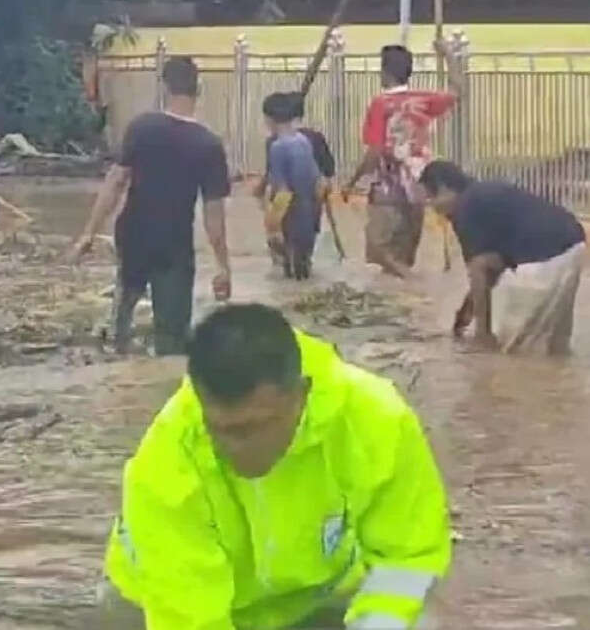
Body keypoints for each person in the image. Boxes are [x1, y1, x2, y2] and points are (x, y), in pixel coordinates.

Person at [102, 303, 451, 630]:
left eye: (255, 428)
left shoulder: (376, 420)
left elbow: (407, 557)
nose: (238, 450)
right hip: (163, 604)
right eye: (222, 430)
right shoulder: (166, 462)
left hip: (317, 596)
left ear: (302, 394)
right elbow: (190, 616)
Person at [70, 56, 231, 356]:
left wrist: (88, 234)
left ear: (165, 86)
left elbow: (115, 183)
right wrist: (223, 266)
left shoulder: (141, 128)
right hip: (174, 245)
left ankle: (116, 373)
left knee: (124, 311)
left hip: (132, 235)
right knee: (172, 337)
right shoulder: (208, 145)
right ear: (199, 89)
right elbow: (213, 216)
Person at [420, 160, 586, 355]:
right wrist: (467, 311)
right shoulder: (481, 194)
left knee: (519, 351)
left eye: (431, 197)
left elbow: (479, 269)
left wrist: (482, 334)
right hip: (573, 247)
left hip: (545, 258)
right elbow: (492, 264)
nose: (431, 206)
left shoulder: (465, 209)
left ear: (445, 188)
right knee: (552, 344)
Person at [343, 46, 457, 278]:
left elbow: (374, 151)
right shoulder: (424, 99)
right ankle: (405, 295)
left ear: (384, 72)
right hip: (420, 187)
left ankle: (415, 285)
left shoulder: (380, 104)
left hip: (389, 188)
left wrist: (352, 181)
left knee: (378, 250)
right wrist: (448, 55)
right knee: (403, 256)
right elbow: (458, 90)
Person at [262, 92, 323, 280]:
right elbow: (316, 181)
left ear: (269, 119)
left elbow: (283, 191)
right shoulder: (303, 142)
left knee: (289, 270)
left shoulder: (278, 147)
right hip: (309, 211)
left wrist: (273, 226)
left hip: (291, 214)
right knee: (304, 265)